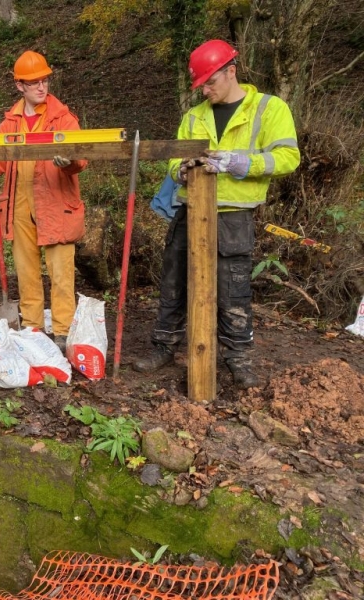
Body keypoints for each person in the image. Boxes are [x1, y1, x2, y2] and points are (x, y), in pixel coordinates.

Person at [133, 39, 299, 389]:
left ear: (231, 72)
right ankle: (164, 346)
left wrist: (242, 163)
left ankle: (238, 358)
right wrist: (182, 169)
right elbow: (175, 159)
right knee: (174, 282)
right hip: (189, 209)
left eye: (210, 82)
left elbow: (288, 157)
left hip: (233, 215)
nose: (205, 90)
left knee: (232, 289)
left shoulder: (268, 109)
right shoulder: (195, 116)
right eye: (201, 85)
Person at [0, 50, 87, 352]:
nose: (42, 87)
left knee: (61, 273)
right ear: (20, 86)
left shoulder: (63, 118)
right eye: (34, 82)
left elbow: (81, 158)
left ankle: (64, 332)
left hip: (56, 205)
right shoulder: (10, 122)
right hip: (19, 207)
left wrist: (68, 161)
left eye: (44, 80)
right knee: (27, 271)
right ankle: (32, 327)